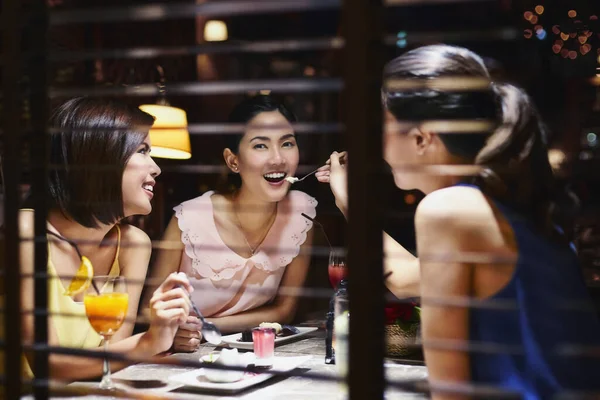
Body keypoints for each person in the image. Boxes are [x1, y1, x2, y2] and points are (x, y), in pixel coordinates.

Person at [317, 45, 600, 399]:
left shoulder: (450, 208)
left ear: (422, 138)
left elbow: (451, 392)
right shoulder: (497, 199)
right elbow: (408, 279)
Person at [6, 97, 193, 381]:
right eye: (142, 150)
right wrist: (149, 341)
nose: (156, 168)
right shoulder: (26, 233)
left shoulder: (133, 245)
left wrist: (166, 332)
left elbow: (112, 355)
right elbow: (48, 364)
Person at [145, 94, 316, 352]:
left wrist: (207, 327)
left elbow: (284, 310)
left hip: (251, 354)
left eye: (287, 143)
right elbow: (148, 310)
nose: (278, 158)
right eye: (260, 146)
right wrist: (170, 330)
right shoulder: (190, 219)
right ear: (233, 160)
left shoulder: (300, 212)